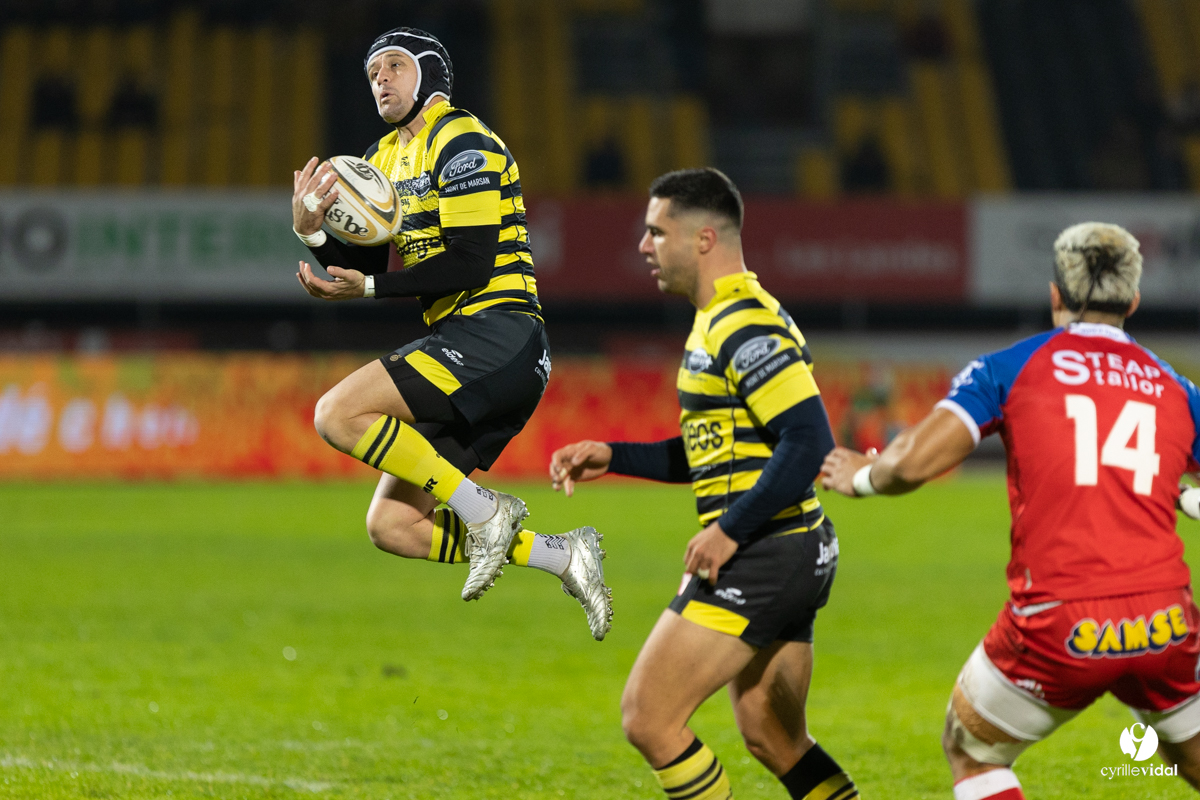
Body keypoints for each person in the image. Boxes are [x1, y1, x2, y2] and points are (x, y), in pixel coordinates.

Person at [821, 222, 1200, 800]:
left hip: (1063, 620)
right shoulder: (1178, 389)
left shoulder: (1010, 368)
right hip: (1166, 621)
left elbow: (915, 463)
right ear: (1134, 300)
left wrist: (864, 478)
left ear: (1055, 294)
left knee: (972, 751)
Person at [289, 27, 611, 640]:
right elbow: (372, 267)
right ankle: (565, 556)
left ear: (429, 73)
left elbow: (469, 259)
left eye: (391, 66)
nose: (378, 79)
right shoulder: (382, 158)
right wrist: (311, 231)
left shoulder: (460, 139)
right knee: (392, 526)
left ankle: (486, 511)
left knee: (337, 414)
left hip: (500, 333)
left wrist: (368, 290)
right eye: (370, 73)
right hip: (472, 349)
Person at [549, 168, 859, 800]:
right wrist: (615, 455)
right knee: (773, 737)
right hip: (790, 548)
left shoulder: (744, 323)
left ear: (704, 239)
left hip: (765, 552)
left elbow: (809, 441)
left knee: (649, 717)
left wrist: (727, 531)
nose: (644, 246)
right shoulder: (720, 318)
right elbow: (714, 454)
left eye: (656, 232)